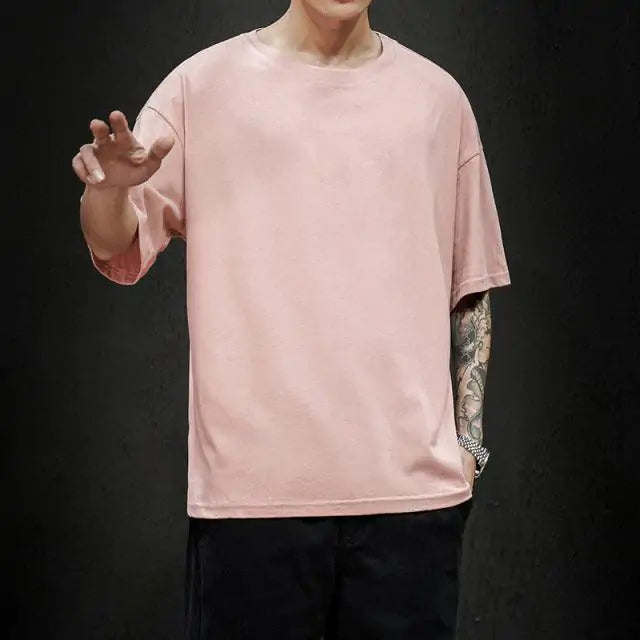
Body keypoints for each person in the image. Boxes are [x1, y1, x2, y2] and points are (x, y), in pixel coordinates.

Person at [73, 1, 511, 638]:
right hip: (251, 507)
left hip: (412, 508)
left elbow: (470, 286)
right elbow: (116, 245)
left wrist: (469, 447)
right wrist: (109, 189)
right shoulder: (199, 88)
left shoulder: (439, 101)